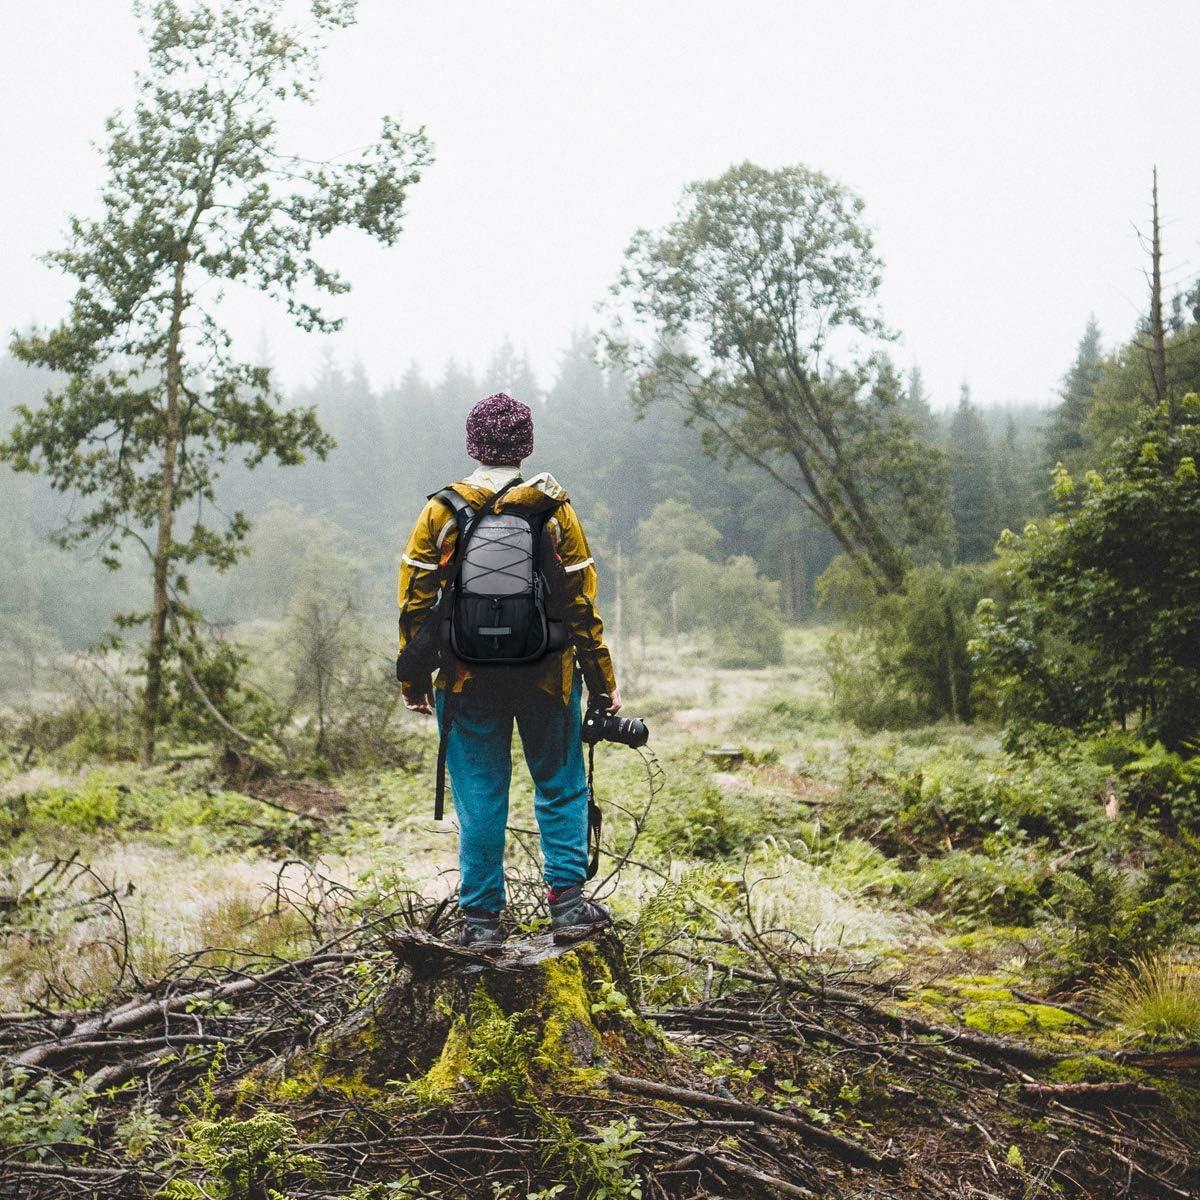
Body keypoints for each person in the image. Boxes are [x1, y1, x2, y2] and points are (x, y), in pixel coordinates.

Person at [397, 392, 621, 946]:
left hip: (463, 678)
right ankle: (567, 904)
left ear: (473, 443)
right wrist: (602, 684)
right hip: (549, 676)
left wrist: (412, 679)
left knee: (479, 797)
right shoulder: (555, 510)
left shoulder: (440, 511)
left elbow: (414, 602)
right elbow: (580, 605)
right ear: (526, 445)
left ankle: (480, 923)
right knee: (561, 786)